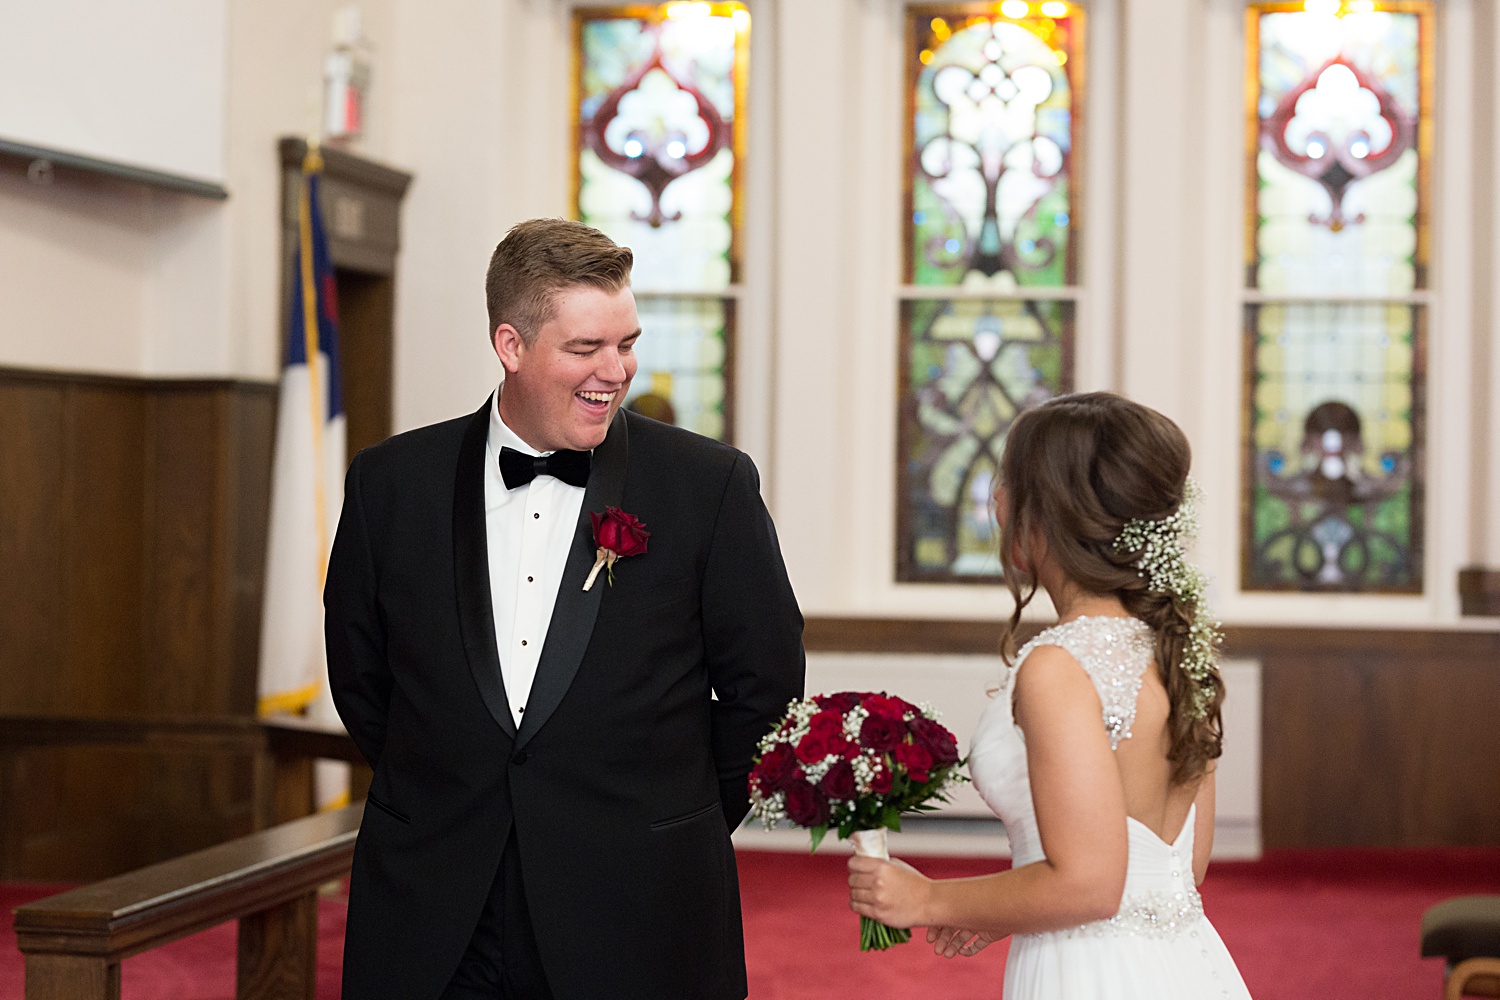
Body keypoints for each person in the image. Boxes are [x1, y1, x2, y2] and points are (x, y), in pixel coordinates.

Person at [326, 218, 805, 1000]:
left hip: (639, 903)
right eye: (585, 349)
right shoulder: (390, 484)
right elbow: (363, 678)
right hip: (440, 902)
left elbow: (766, 689)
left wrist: (665, 821)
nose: (614, 372)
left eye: (626, 343)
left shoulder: (707, 486)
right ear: (510, 345)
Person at [847, 392, 1252, 999]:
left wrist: (929, 898)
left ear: (1045, 513)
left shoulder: (1061, 666)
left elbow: (1089, 884)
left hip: (1092, 978)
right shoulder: (1174, 647)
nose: (997, 501)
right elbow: (1175, 872)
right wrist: (997, 909)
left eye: (1006, 485)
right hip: (1185, 966)